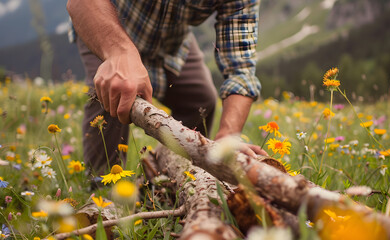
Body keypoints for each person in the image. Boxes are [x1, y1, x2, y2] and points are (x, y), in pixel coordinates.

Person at [67, 0, 267, 175]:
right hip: (106, 23)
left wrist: (227, 139)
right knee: (113, 95)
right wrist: (119, 53)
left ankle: (169, 171)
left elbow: (240, 70)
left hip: (171, 41)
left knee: (202, 102)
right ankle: (102, 194)